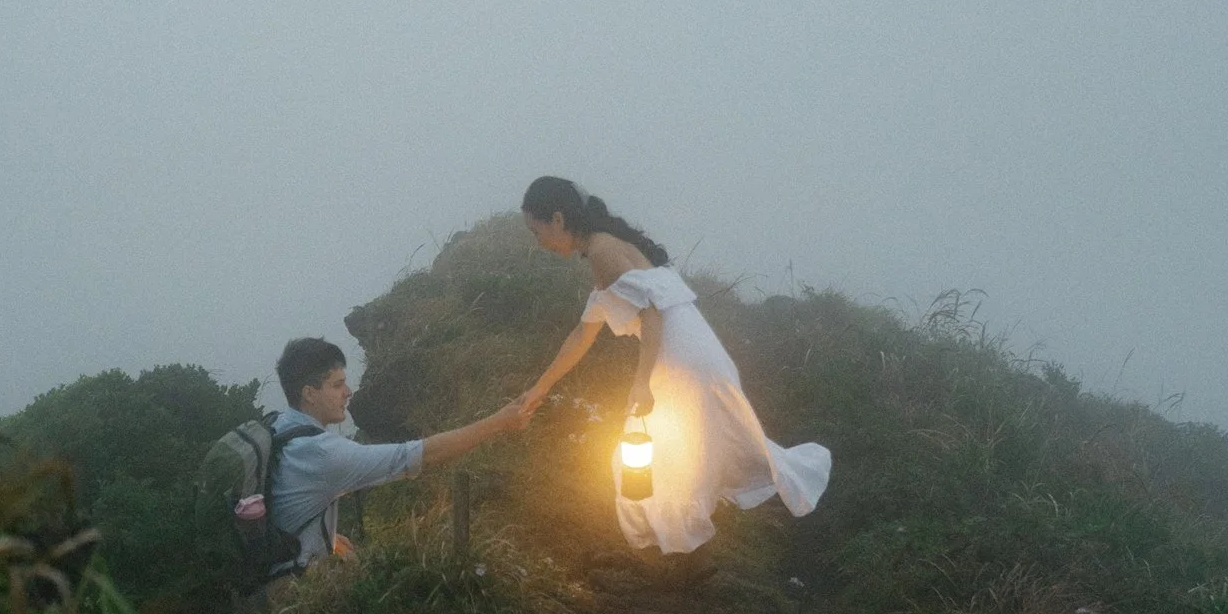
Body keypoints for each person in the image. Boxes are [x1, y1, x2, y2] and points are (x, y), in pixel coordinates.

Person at [518, 177, 830, 568]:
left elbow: (651, 314)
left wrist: (641, 383)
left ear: (558, 219)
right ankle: (682, 555)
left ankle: (678, 557)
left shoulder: (603, 252)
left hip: (680, 360)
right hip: (694, 351)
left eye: (537, 231)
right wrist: (539, 388)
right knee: (675, 459)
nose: (539, 242)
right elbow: (583, 332)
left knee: (654, 460)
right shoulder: (605, 247)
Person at [267, 335, 527, 580]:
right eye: (337, 385)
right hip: (287, 591)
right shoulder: (322, 453)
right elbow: (414, 457)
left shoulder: (278, 425)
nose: (348, 391)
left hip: (266, 571)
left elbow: (290, 499)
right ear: (309, 393)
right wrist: (499, 422)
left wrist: (326, 538)